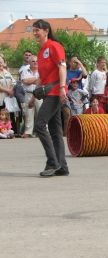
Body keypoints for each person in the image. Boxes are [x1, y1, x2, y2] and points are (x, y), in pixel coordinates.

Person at [32, 19, 69, 177]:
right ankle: (62, 167)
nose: (35, 33)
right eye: (33, 31)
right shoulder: (40, 52)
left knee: (40, 125)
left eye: (37, 30)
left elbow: (62, 66)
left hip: (55, 92)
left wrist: (62, 88)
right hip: (48, 92)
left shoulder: (54, 46)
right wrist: (32, 96)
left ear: (46, 31)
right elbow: (42, 78)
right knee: (55, 130)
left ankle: (52, 162)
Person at [20, 55, 41, 138]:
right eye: (33, 61)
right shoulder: (24, 70)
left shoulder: (41, 70)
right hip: (28, 93)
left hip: (39, 94)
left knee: (41, 112)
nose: (35, 62)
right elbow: (25, 81)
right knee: (28, 113)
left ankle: (43, 131)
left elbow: (41, 81)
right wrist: (36, 80)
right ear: (29, 62)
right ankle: (28, 132)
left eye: (36, 61)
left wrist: (31, 80)